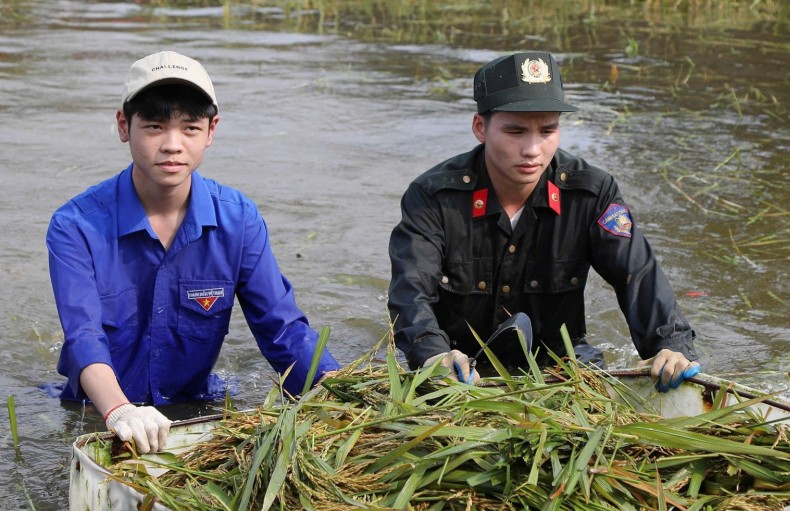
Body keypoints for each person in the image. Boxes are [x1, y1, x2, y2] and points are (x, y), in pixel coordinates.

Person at [47, 51, 339, 453]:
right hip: (97, 413)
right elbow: (83, 335)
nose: (172, 145)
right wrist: (120, 412)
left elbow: (282, 330)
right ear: (123, 126)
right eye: (153, 126)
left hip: (194, 408)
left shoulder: (238, 221)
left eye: (189, 128)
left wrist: (344, 396)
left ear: (211, 130)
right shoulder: (75, 226)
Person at [387, 51, 700, 390]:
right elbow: (411, 290)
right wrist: (433, 355)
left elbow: (637, 274)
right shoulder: (433, 197)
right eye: (516, 131)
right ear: (481, 127)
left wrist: (670, 346)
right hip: (461, 368)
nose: (533, 149)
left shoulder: (591, 194)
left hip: (560, 367)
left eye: (548, 130)